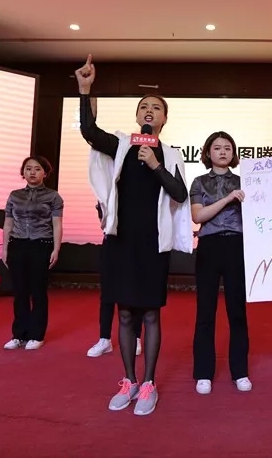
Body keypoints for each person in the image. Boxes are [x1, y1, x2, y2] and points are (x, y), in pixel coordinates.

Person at [76, 54, 193, 416]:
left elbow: (180, 194)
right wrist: (85, 89)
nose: (149, 111)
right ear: (137, 115)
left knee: (151, 314)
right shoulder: (122, 145)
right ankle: (128, 380)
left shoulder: (170, 154)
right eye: (144, 107)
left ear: (164, 119)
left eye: (156, 108)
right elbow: (89, 132)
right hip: (120, 242)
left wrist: (156, 165)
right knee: (125, 314)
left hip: (153, 245)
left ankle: (149, 383)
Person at [190, 131, 251, 395]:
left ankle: (240, 371)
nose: (223, 152)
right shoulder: (199, 182)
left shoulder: (244, 181)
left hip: (237, 246)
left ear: (234, 153)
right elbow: (198, 216)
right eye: (217, 148)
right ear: (208, 152)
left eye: (228, 148)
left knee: (237, 311)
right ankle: (204, 372)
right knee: (206, 310)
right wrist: (227, 199)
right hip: (209, 247)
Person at [1, 156, 64, 350]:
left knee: (38, 292)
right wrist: (5, 249)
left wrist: (56, 249)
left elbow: (57, 224)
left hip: (41, 245)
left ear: (45, 172)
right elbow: (8, 224)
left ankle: (37, 335)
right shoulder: (14, 195)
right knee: (19, 292)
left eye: (37, 169)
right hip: (17, 244)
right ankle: (19, 335)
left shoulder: (53, 197)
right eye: (28, 169)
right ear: (23, 172)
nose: (32, 172)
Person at [87, 201, 142, 358]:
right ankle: (104, 339)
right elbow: (103, 222)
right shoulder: (108, 192)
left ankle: (135, 337)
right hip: (111, 243)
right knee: (107, 294)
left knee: (134, 292)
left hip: (134, 245)